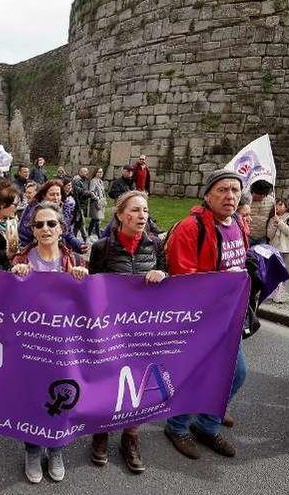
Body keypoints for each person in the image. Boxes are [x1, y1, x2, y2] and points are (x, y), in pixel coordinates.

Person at [163, 169, 249, 460]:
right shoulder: (190, 227)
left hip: (229, 315)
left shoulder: (238, 223)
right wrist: (221, 281)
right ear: (208, 194)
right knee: (198, 375)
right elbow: (181, 278)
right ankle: (177, 426)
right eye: (223, 190)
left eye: (235, 190)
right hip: (198, 319)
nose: (230, 196)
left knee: (235, 374)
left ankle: (207, 426)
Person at [88, 190, 168, 473]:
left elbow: (168, 282)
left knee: (140, 382)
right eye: (134, 210)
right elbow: (92, 289)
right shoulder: (102, 248)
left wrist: (162, 274)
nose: (141, 216)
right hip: (112, 329)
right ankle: (101, 433)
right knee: (110, 381)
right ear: (120, 215)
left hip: (145, 329)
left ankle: (130, 437)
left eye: (145, 210)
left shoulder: (156, 245)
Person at [9, 201, 86, 483]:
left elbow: (88, 306)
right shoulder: (21, 261)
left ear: (62, 229)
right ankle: (32, 449)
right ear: (32, 229)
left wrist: (82, 281)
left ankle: (56, 448)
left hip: (65, 345)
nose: (45, 229)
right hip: (30, 344)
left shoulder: (74, 262)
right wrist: (14, 279)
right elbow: (6, 304)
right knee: (32, 396)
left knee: (63, 394)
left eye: (51, 223)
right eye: (39, 224)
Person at [18, 180, 86, 254]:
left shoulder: (64, 210)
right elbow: (24, 235)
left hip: (57, 252)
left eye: (58, 194)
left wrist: (78, 245)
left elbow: (67, 232)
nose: (56, 198)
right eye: (52, 194)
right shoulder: (34, 211)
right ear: (44, 195)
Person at [248, 180, 275, 245]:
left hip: (262, 237)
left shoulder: (271, 201)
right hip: (247, 236)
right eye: (259, 195)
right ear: (253, 192)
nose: (262, 197)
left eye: (264, 195)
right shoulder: (245, 200)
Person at [71, 167, 92, 240]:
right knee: (81, 222)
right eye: (85, 171)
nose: (87, 173)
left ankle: (73, 238)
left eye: (87, 171)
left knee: (78, 223)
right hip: (78, 205)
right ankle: (85, 238)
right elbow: (81, 192)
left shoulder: (84, 181)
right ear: (80, 172)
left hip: (83, 205)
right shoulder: (77, 181)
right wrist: (89, 193)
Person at [87, 168, 107, 239]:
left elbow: (103, 192)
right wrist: (97, 198)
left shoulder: (100, 181)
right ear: (95, 172)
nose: (100, 173)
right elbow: (91, 192)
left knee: (94, 220)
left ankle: (89, 233)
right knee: (97, 219)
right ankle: (99, 236)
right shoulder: (93, 181)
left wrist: (104, 199)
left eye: (101, 172)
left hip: (101, 203)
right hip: (95, 203)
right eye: (99, 172)